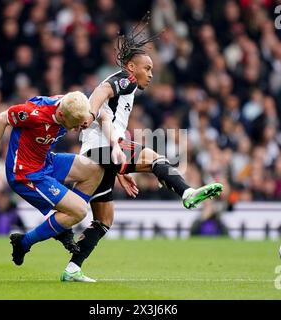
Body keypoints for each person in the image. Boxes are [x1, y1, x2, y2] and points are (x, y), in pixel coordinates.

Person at [54, 14, 224, 282]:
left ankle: (72, 268)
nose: (151, 74)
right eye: (148, 69)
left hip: (99, 155)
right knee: (155, 156)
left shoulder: (128, 86)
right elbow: (101, 93)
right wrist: (91, 111)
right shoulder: (126, 79)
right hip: (102, 148)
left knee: (104, 219)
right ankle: (187, 192)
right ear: (132, 67)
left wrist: (121, 169)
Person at [0, 91, 123, 276]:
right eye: (73, 125)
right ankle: (24, 242)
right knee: (79, 211)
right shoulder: (34, 113)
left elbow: (103, 114)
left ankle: (63, 225)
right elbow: (1, 118)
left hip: (45, 161)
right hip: (26, 174)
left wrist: (115, 145)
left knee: (95, 169)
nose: (75, 129)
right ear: (62, 115)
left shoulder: (74, 106)